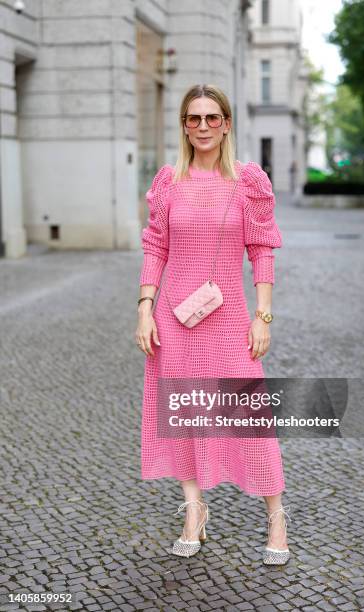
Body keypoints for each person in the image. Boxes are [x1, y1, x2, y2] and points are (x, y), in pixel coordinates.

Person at [135, 84, 290, 565]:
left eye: (212, 117)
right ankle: (193, 512)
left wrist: (262, 316)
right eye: (193, 118)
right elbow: (155, 248)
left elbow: (261, 251)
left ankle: (276, 515)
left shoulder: (248, 181)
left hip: (228, 318)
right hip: (174, 320)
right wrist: (144, 307)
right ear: (184, 125)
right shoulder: (168, 182)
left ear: (226, 123)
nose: (202, 126)